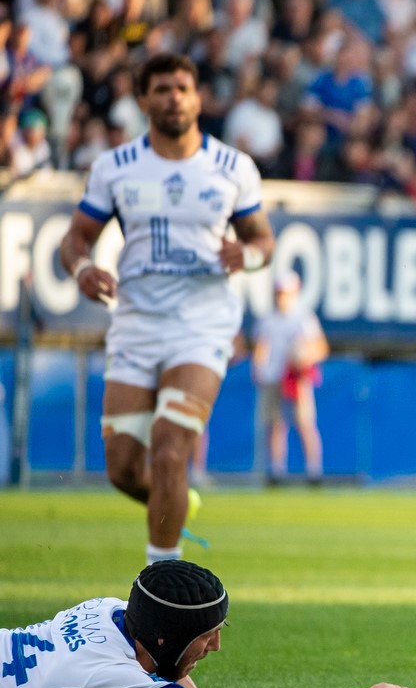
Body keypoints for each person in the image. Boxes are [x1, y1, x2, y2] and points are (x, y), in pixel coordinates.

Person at [58, 53, 275, 565]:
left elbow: (263, 239)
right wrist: (82, 269)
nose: (174, 97)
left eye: (182, 87)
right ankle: (176, 499)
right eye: (161, 89)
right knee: (123, 469)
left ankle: (165, 583)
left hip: (202, 325)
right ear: (142, 100)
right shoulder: (115, 168)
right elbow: (76, 238)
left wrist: (249, 255)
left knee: (170, 446)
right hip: (136, 322)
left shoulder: (232, 167)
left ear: (198, 98)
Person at [1, 560, 408, 688]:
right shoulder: (111, 677)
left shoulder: (111, 612)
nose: (216, 645)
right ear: (166, 638)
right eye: (206, 635)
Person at [253, 271, 329, 487]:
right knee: (276, 424)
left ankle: (314, 471)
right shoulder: (268, 319)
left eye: (285, 293)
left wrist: (304, 357)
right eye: (279, 293)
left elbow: (321, 348)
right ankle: (276, 471)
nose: (281, 297)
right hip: (273, 377)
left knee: (304, 422)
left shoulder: (304, 318)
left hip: (296, 379)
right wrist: (259, 369)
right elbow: (261, 348)